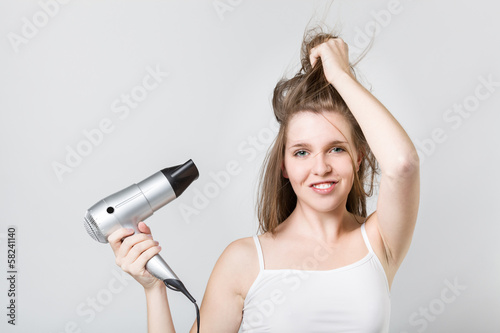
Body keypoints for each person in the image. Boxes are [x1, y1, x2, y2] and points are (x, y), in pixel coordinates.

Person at [108, 27, 420, 332]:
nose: (320, 167)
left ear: (359, 157)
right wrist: (154, 289)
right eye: (301, 152)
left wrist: (340, 76)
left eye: (336, 148)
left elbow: (403, 164)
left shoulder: (379, 241)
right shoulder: (243, 261)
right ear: (283, 165)